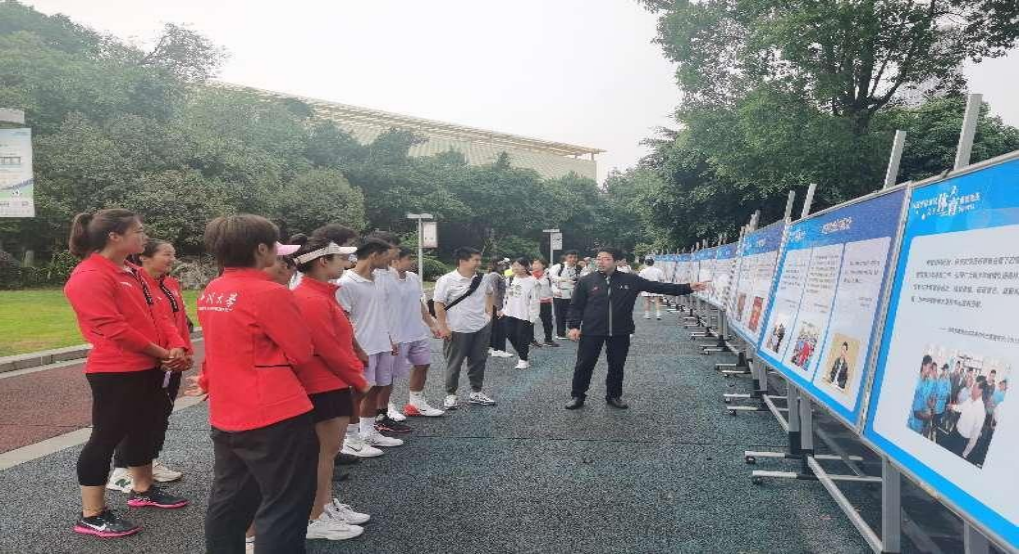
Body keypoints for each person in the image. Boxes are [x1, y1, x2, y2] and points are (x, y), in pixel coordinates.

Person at [188, 214, 318, 554]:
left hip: (228, 411)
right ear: (261, 249)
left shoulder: (213, 290)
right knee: (285, 503)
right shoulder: (270, 292)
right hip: (275, 412)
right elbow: (302, 353)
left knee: (230, 501)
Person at [64, 209, 191, 539]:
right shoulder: (90, 275)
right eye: (138, 231)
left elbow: (161, 314)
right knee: (105, 438)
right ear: (114, 236)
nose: (144, 236)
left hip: (150, 366)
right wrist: (163, 353)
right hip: (116, 371)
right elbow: (114, 329)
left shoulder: (133, 271)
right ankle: (92, 514)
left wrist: (176, 346)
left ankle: (143, 489)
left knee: (143, 430)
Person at [290, 236, 372, 541]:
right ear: (323, 262)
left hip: (330, 382)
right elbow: (327, 348)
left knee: (328, 453)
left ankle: (324, 506)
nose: (346, 262)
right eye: (340, 258)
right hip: (323, 384)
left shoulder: (320, 294)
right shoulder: (311, 298)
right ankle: (315, 516)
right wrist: (358, 379)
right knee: (323, 454)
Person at [565, 247, 707, 410]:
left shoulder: (631, 280)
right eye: (599, 258)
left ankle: (614, 396)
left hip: (620, 331)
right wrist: (574, 326)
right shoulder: (586, 281)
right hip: (592, 330)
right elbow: (576, 306)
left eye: (606, 258)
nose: (601, 262)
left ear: (616, 261)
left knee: (617, 365)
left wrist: (688, 287)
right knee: (584, 364)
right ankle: (578, 395)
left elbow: (659, 287)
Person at [106, 238, 193, 493]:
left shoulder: (171, 283)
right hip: (150, 359)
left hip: (173, 357)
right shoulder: (137, 283)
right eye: (166, 254)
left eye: (173, 254)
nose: (172, 259)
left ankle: (150, 461)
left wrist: (182, 351)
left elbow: (177, 322)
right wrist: (162, 353)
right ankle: (122, 468)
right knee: (137, 418)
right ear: (144, 257)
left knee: (161, 414)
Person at [337, 239, 407, 449]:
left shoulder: (378, 279)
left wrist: (389, 338)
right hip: (362, 347)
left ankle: (367, 432)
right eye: (387, 256)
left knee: (376, 388)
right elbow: (342, 320)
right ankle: (350, 439)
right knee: (359, 392)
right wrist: (356, 349)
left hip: (381, 343)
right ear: (374, 255)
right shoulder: (346, 282)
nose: (390, 261)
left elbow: (380, 313)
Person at [433, 246, 497, 409]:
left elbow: (490, 293)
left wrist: (489, 314)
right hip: (457, 328)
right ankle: (451, 395)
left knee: (479, 361)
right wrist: (443, 327)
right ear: (462, 261)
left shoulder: (483, 278)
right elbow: (438, 304)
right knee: (454, 364)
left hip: (480, 327)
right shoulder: (446, 280)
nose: (479, 263)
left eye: (479, 259)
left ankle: (476, 392)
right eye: (476, 260)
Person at [388, 247, 446, 417]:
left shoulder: (413, 278)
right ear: (395, 260)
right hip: (396, 335)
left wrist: (432, 324)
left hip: (417, 332)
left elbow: (418, 302)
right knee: (388, 374)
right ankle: (386, 406)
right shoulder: (385, 279)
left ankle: (415, 403)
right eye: (408, 258)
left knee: (423, 364)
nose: (412, 262)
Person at [503, 257, 541, 370]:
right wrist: (503, 309)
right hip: (510, 312)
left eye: (518, 265)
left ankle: (523, 360)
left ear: (525, 267)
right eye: (513, 265)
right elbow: (506, 296)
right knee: (509, 334)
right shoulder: (510, 279)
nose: (514, 268)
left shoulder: (533, 281)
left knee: (521, 336)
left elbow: (535, 300)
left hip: (524, 314)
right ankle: (522, 351)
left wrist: (533, 317)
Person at [947, 379, 989, 461]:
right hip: (955, 431)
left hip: (962, 440)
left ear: (980, 391)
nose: (972, 388)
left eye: (974, 387)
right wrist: (952, 406)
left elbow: (975, 435)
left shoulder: (981, 411)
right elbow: (961, 408)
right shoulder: (969, 399)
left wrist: (965, 453)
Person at [486, 258, 512, 358]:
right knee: (500, 328)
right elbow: (494, 293)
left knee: (494, 327)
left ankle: (492, 347)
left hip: (495, 305)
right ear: (497, 265)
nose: (505, 266)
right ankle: (499, 350)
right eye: (503, 264)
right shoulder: (494, 275)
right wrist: (498, 308)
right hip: (496, 306)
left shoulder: (496, 275)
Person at [550, 250, 580, 340]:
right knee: (560, 315)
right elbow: (551, 277)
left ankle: (574, 333)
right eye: (570, 257)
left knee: (574, 314)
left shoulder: (578, 268)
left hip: (574, 294)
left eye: (575, 257)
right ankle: (560, 333)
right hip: (560, 293)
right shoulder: (559, 266)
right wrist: (565, 280)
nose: (573, 259)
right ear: (566, 257)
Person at [531, 257, 557, 347]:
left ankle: (548, 340)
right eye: (534, 263)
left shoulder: (548, 275)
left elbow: (554, 284)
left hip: (545, 302)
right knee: (530, 322)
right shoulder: (529, 275)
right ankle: (531, 340)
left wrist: (556, 291)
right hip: (533, 303)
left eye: (537, 263)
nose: (535, 265)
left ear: (543, 265)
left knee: (548, 322)